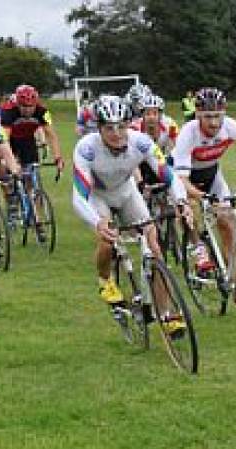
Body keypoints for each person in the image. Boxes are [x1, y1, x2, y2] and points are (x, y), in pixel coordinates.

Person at [71, 95, 190, 337]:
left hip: (126, 192)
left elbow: (169, 175)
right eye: (109, 128)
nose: (116, 133)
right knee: (107, 239)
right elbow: (79, 196)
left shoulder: (142, 142)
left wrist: (181, 201)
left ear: (129, 124)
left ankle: (165, 313)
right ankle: (105, 280)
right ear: (99, 128)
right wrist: (97, 221)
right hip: (98, 195)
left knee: (153, 246)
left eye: (121, 126)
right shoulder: (86, 148)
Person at [172, 87, 236, 306]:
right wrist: (202, 197)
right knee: (187, 209)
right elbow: (181, 180)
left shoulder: (231, 127)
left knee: (228, 223)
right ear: (197, 113)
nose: (214, 122)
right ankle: (197, 248)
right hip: (184, 178)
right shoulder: (188, 134)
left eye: (218, 115)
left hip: (211, 174)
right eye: (208, 116)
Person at [0, 84, 64, 176]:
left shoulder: (42, 111)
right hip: (11, 139)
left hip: (28, 138)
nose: (28, 110)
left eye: (31, 106)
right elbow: (5, 139)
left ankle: (32, 188)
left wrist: (58, 158)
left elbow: (51, 135)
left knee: (31, 172)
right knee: (9, 171)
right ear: (18, 104)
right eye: (24, 106)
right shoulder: (8, 111)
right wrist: (11, 161)